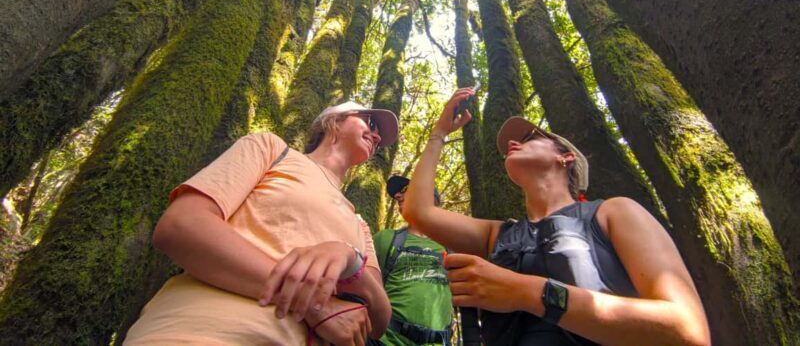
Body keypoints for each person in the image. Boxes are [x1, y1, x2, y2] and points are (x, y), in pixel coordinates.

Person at [401, 88, 711, 346]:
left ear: (566, 156)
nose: (513, 143)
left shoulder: (613, 212)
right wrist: (440, 133)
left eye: (530, 137)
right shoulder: (498, 235)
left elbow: (688, 329)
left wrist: (524, 291)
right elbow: (418, 211)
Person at [125, 101, 396, 345]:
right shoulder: (273, 150)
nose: (377, 136)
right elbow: (181, 225)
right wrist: (315, 305)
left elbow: (379, 318)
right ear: (335, 120)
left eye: (379, 135)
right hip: (200, 332)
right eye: (370, 122)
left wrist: (349, 257)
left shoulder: (359, 222)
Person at [372, 175, 452, 345]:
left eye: (405, 190)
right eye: (396, 196)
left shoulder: (454, 245)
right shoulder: (385, 239)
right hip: (387, 341)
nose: (397, 197)